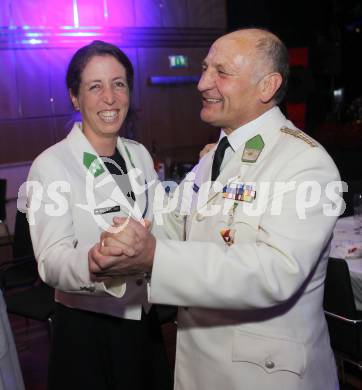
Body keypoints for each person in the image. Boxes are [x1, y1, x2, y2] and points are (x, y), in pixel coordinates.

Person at [91, 29, 343, 390]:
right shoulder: (216, 157)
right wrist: (130, 242)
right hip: (201, 368)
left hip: (262, 376)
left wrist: (154, 257)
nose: (202, 82)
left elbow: (276, 273)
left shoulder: (304, 162)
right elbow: (176, 224)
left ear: (267, 86)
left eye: (221, 72)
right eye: (205, 68)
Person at [25, 40, 172, 390]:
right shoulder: (52, 165)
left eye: (118, 84)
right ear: (75, 97)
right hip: (87, 331)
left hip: (145, 322)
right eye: (95, 86)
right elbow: (51, 261)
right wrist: (93, 262)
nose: (110, 97)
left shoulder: (137, 155)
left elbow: (163, 226)